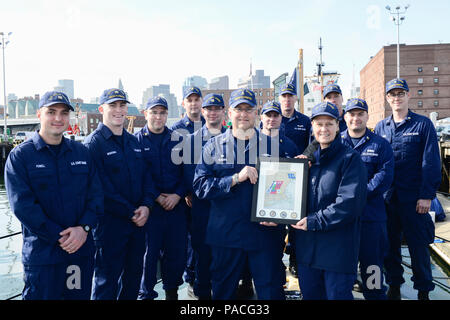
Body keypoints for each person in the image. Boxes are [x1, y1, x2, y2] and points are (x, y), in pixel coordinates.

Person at [5, 91, 103, 300]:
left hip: (78, 254)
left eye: (63, 113)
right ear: (39, 114)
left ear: (70, 117)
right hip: (43, 257)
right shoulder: (21, 157)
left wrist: (84, 229)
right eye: (51, 112)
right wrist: (63, 237)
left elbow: (96, 196)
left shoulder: (82, 153)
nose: (58, 118)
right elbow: (23, 206)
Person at [193, 88, 286, 300]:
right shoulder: (213, 147)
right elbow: (200, 186)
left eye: (248, 109)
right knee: (223, 292)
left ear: (256, 113)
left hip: (263, 235)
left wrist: (279, 217)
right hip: (227, 235)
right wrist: (234, 178)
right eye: (238, 109)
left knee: (270, 291)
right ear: (229, 113)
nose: (243, 114)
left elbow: (284, 186)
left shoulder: (272, 147)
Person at [291, 101, 367, 300]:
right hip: (308, 252)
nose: (324, 129)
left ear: (337, 126)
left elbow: (349, 204)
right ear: (312, 127)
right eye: (319, 124)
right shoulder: (305, 163)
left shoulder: (350, 159)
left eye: (329, 124)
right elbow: (291, 200)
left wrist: (315, 221)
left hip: (337, 252)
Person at [84, 88, 154, 300]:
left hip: (138, 225)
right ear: (101, 109)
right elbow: (100, 189)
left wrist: (147, 206)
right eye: (112, 105)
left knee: (133, 278)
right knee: (107, 281)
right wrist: (132, 211)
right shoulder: (93, 145)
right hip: (109, 228)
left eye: (122, 105)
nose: (118, 110)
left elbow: (146, 178)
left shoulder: (133, 142)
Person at [374, 78, 441, 300]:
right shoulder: (381, 127)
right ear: (387, 98)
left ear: (408, 95)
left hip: (414, 200)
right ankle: (394, 285)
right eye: (392, 94)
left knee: (418, 247)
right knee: (389, 246)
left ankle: (423, 290)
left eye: (400, 93)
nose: (396, 98)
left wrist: (426, 196)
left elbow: (430, 162)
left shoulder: (422, 124)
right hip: (388, 199)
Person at [341, 98, 394, 300]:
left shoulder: (381, 145)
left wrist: (354, 195)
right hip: (343, 220)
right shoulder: (335, 143)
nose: (356, 118)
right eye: (351, 114)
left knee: (373, 267)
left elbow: (384, 177)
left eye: (360, 114)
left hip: (371, 218)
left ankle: (375, 296)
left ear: (367, 116)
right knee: (343, 269)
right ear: (345, 117)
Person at [135, 96, 187, 300]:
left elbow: (188, 173)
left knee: (176, 255)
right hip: (150, 209)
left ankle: (172, 293)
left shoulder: (179, 139)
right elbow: (139, 175)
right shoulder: (136, 141)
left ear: (167, 114)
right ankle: (145, 295)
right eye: (154, 112)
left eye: (162, 112)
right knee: (148, 257)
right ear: (145, 113)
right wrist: (156, 197)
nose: (158, 116)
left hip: (176, 208)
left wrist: (178, 195)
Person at [183, 93, 227, 300]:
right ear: (203, 112)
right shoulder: (191, 141)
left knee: (225, 258)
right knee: (202, 257)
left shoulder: (233, 137)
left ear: (223, 112)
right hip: (202, 208)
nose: (213, 112)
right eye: (209, 109)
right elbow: (189, 174)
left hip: (227, 209)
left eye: (217, 108)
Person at [171, 86, 205, 290]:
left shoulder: (211, 125)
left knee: (203, 238)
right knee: (189, 239)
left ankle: (201, 277)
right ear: (184, 103)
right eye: (189, 100)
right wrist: (184, 191)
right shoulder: (176, 130)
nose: (193, 103)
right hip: (186, 195)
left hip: (206, 192)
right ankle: (190, 277)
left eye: (196, 99)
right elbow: (175, 166)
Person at [278, 83, 311, 276]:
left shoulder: (305, 121)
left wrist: (306, 157)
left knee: (297, 224)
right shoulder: (273, 118)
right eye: (284, 96)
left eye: (291, 96)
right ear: (280, 99)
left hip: (298, 180)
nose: (287, 99)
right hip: (275, 180)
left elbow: (312, 145)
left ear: (295, 99)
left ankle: (295, 261)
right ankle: (278, 263)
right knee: (276, 225)